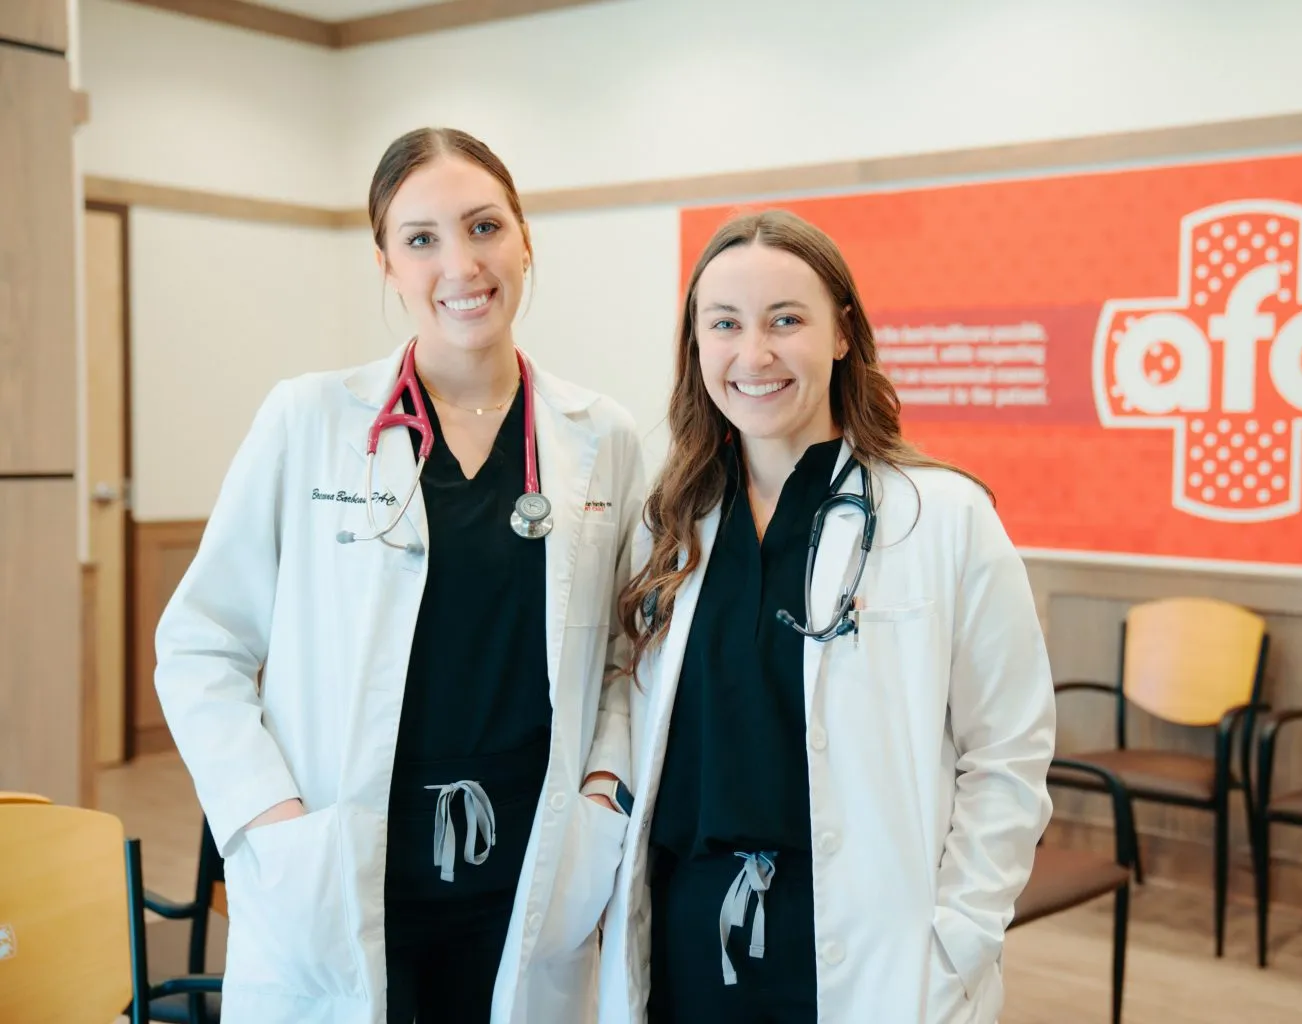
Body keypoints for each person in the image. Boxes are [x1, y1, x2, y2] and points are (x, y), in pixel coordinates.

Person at [155, 127, 644, 1024]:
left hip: (530, 874)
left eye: (485, 226)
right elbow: (199, 645)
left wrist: (602, 790)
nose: (461, 263)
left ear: (525, 238)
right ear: (386, 263)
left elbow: (624, 655)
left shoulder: (599, 435)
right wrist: (270, 820)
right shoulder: (308, 420)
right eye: (421, 239)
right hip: (344, 869)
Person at [595, 209, 1057, 1024]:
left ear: (842, 333)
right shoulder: (668, 522)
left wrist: (961, 934)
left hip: (871, 947)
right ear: (697, 346)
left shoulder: (941, 518)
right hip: (688, 934)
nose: (754, 354)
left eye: (786, 320)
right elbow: (631, 708)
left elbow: (1008, 755)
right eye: (726, 324)